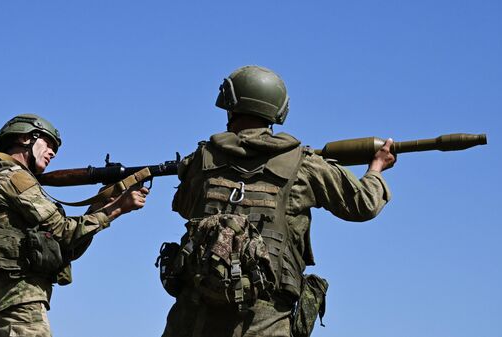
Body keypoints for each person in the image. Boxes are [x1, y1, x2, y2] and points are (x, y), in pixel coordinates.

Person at [160, 65, 396, 337]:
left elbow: (183, 208)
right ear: (278, 110)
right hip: (264, 321)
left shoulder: (201, 160)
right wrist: (376, 169)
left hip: (192, 318)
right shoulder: (305, 165)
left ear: (230, 106)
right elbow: (364, 204)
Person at [0, 114, 149, 337]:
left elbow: (61, 246)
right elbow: (65, 232)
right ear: (25, 138)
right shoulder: (15, 179)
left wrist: (97, 207)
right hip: (20, 304)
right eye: (48, 143)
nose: (52, 152)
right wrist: (118, 208)